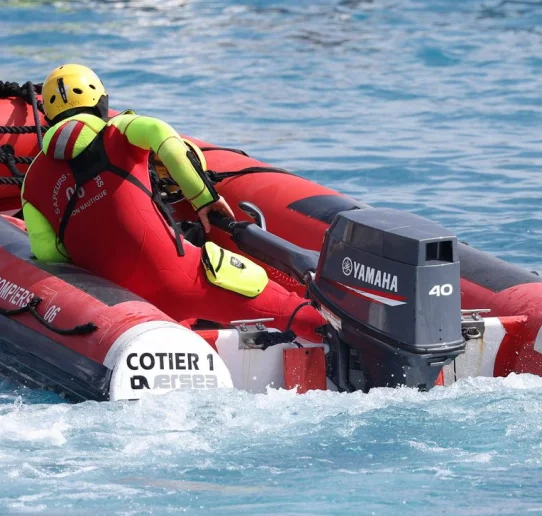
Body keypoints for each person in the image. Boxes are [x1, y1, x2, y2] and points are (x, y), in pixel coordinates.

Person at [20, 64, 324, 340]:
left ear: (47, 115)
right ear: (102, 102)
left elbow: (49, 254)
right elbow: (161, 136)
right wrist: (204, 199)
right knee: (291, 310)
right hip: (181, 281)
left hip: (119, 305)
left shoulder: (32, 181)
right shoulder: (120, 131)